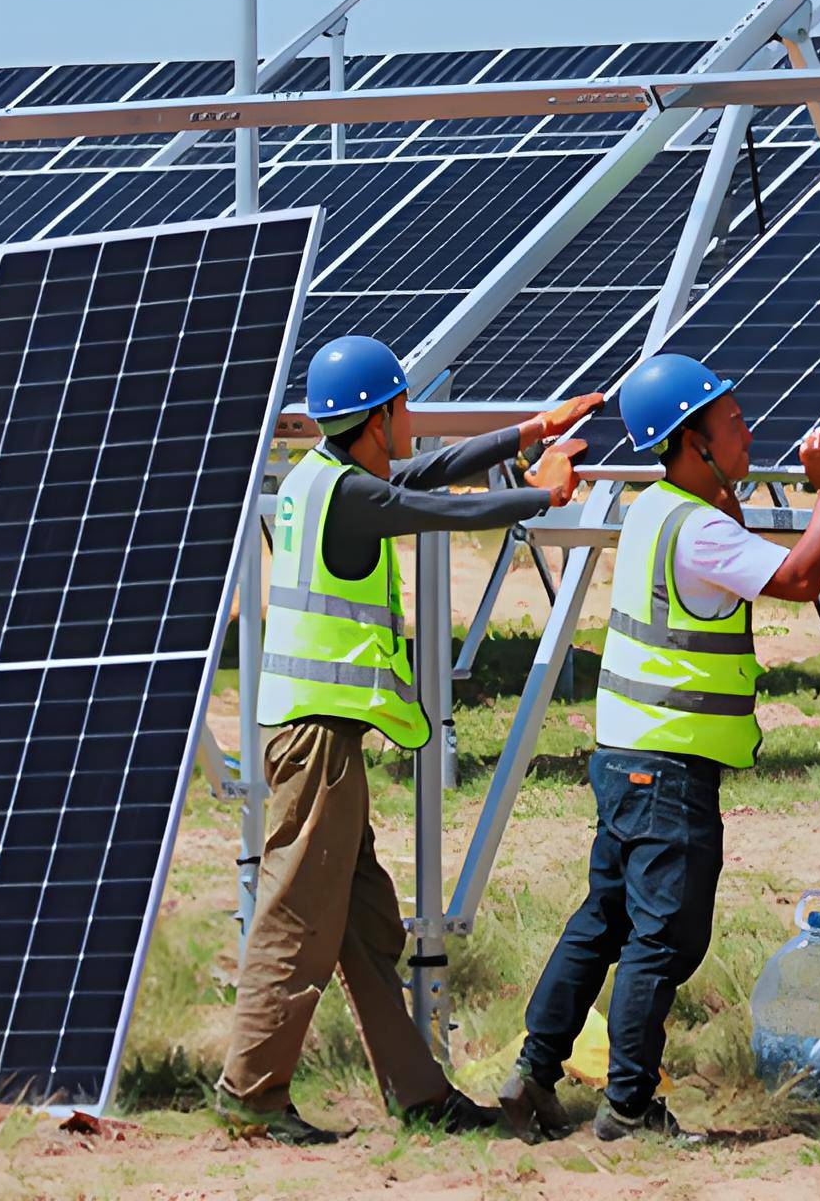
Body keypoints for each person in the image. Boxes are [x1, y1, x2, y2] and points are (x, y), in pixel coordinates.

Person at [215, 333, 605, 1145]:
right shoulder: (354, 497)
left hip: (317, 735)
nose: (412, 419)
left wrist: (529, 431)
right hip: (317, 741)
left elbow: (424, 477)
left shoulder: (322, 477)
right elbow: (435, 507)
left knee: (364, 925)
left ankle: (420, 1095)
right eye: (403, 406)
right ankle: (251, 1093)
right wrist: (541, 497)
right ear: (378, 413)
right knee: (296, 917)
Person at [500, 353, 820, 1144]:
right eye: (731, 424)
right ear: (692, 441)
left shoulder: (656, 508)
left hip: (628, 756)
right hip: (667, 768)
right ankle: (628, 1107)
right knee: (664, 938)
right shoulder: (699, 530)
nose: (748, 431)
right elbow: (797, 579)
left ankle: (532, 1076)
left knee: (604, 921)